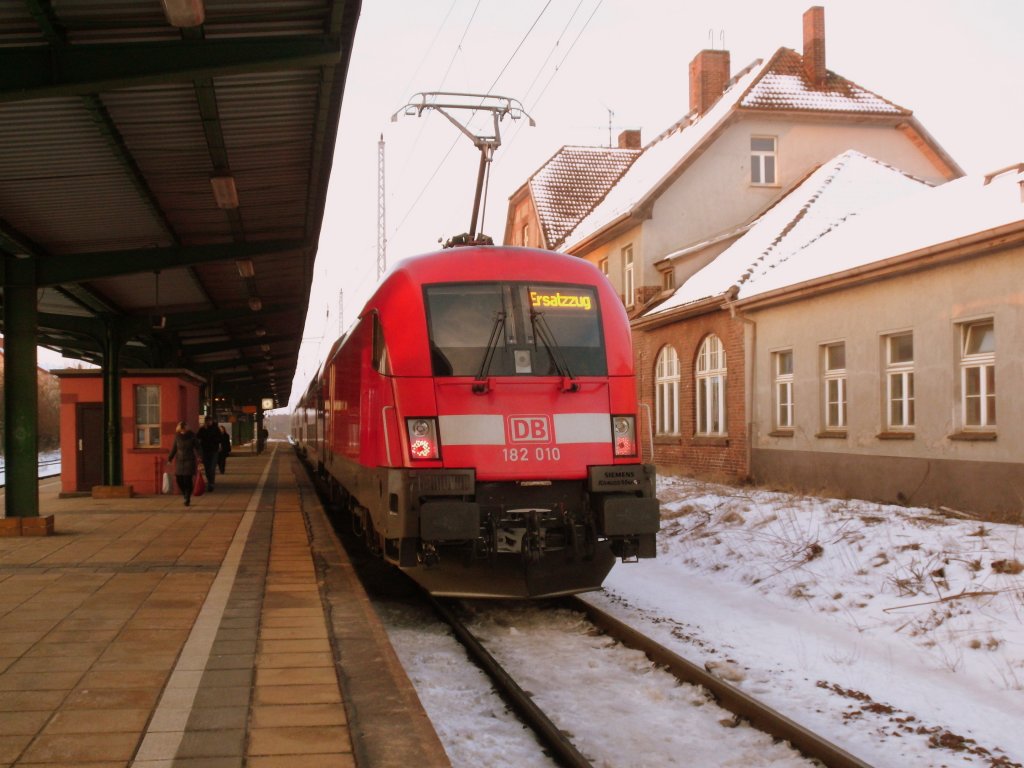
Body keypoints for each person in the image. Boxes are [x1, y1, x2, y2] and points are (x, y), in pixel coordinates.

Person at [167, 421, 200, 506]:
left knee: (187, 479)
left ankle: (187, 497)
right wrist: (170, 458)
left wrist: (200, 457)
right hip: (180, 461)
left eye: (184, 429)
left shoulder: (192, 436)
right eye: (181, 430)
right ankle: (185, 493)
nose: (183, 431)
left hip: (189, 460)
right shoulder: (177, 436)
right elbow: (174, 448)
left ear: (186, 428)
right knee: (179, 479)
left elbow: (198, 447)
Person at [196, 415, 220, 491]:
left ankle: (211, 483)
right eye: (207, 421)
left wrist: (214, 441)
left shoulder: (215, 429)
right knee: (207, 469)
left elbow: (220, 438)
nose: (209, 422)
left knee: (212, 468)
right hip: (205, 451)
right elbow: (197, 437)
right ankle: (210, 482)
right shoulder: (202, 429)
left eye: (210, 421)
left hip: (214, 451)